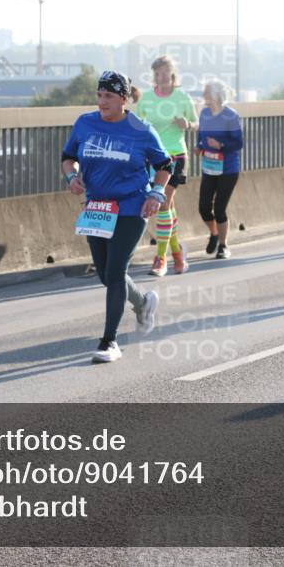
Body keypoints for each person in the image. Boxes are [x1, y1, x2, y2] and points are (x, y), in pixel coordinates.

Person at [62, 70, 170, 363]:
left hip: (132, 207)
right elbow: (67, 157)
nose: (102, 101)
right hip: (97, 208)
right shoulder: (85, 123)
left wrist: (156, 193)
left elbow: (165, 164)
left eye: (108, 96)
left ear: (124, 98)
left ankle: (109, 341)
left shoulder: (141, 129)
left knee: (116, 269)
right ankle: (144, 302)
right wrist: (72, 177)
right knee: (107, 275)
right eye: (99, 95)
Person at [135, 55, 198, 276]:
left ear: (172, 74)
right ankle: (178, 254)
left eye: (163, 72)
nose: (159, 77)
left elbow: (196, 123)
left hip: (177, 156)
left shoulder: (182, 98)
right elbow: (135, 123)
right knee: (168, 207)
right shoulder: (147, 99)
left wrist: (187, 124)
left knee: (163, 203)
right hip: (154, 159)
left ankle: (160, 259)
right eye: (156, 73)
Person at [197, 79, 244, 259]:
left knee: (219, 208)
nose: (203, 96)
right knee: (203, 207)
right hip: (209, 167)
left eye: (206, 92)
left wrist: (221, 144)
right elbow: (201, 135)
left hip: (228, 168)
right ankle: (214, 233)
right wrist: (199, 146)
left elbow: (239, 142)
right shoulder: (204, 114)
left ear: (216, 95)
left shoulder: (231, 116)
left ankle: (223, 246)